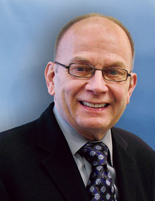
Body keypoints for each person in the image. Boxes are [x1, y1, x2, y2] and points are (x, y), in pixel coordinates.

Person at [0, 13, 154, 201]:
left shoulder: (146, 160)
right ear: (51, 78)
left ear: (130, 87)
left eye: (113, 72)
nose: (97, 86)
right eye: (81, 69)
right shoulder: (4, 161)